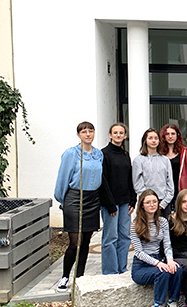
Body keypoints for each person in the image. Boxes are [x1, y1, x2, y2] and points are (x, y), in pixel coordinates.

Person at [54, 121, 103, 292]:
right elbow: (62, 178)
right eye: (84, 131)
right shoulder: (71, 154)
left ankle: (79, 277)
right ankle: (65, 276)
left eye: (91, 131)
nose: (88, 134)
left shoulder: (98, 154)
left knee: (86, 242)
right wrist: (63, 201)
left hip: (92, 199)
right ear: (78, 135)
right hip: (75, 199)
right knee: (75, 242)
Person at [130, 190, 182, 307]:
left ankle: (172, 303)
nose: (152, 205)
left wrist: (170, 260)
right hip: (141, 266)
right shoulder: (135, 224)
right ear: (142, 205)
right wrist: (157, 263)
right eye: (148, 202)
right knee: (162, 272)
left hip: (159, 258)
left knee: (177, 269)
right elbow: (139, 253)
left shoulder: (163, 222)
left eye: (154, 201)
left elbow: (167, 245)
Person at [100, 122, 135, 276]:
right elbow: (103, 180)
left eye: (121, 133)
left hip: (125, 202)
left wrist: (133, 200)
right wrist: (110, 204)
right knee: (110, 237)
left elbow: (129, 179)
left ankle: (122, 267)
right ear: (110, 135)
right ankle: (110, 270)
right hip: (110, 204)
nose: (118, 135)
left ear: (125, 136)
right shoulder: (104, 154)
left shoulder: (125, 155)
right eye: (115, 132)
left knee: (124, 236)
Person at [160, 124, 187, 213]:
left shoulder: (185, 152)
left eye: (173, 133)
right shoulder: (159, 153)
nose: (170, 136)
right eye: (167, 134)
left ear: (178, 135)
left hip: (180, 192)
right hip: (164, 193)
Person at [133, 128, 173, 213]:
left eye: (156, 138)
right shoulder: (139, 160)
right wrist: (148, 201)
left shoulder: (165, 160)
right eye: (150, 138)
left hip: (164, 203)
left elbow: (170, 183)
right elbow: (137, 184)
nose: (153, 141)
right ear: (145, 140)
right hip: (147, 204)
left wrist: (163, 203)